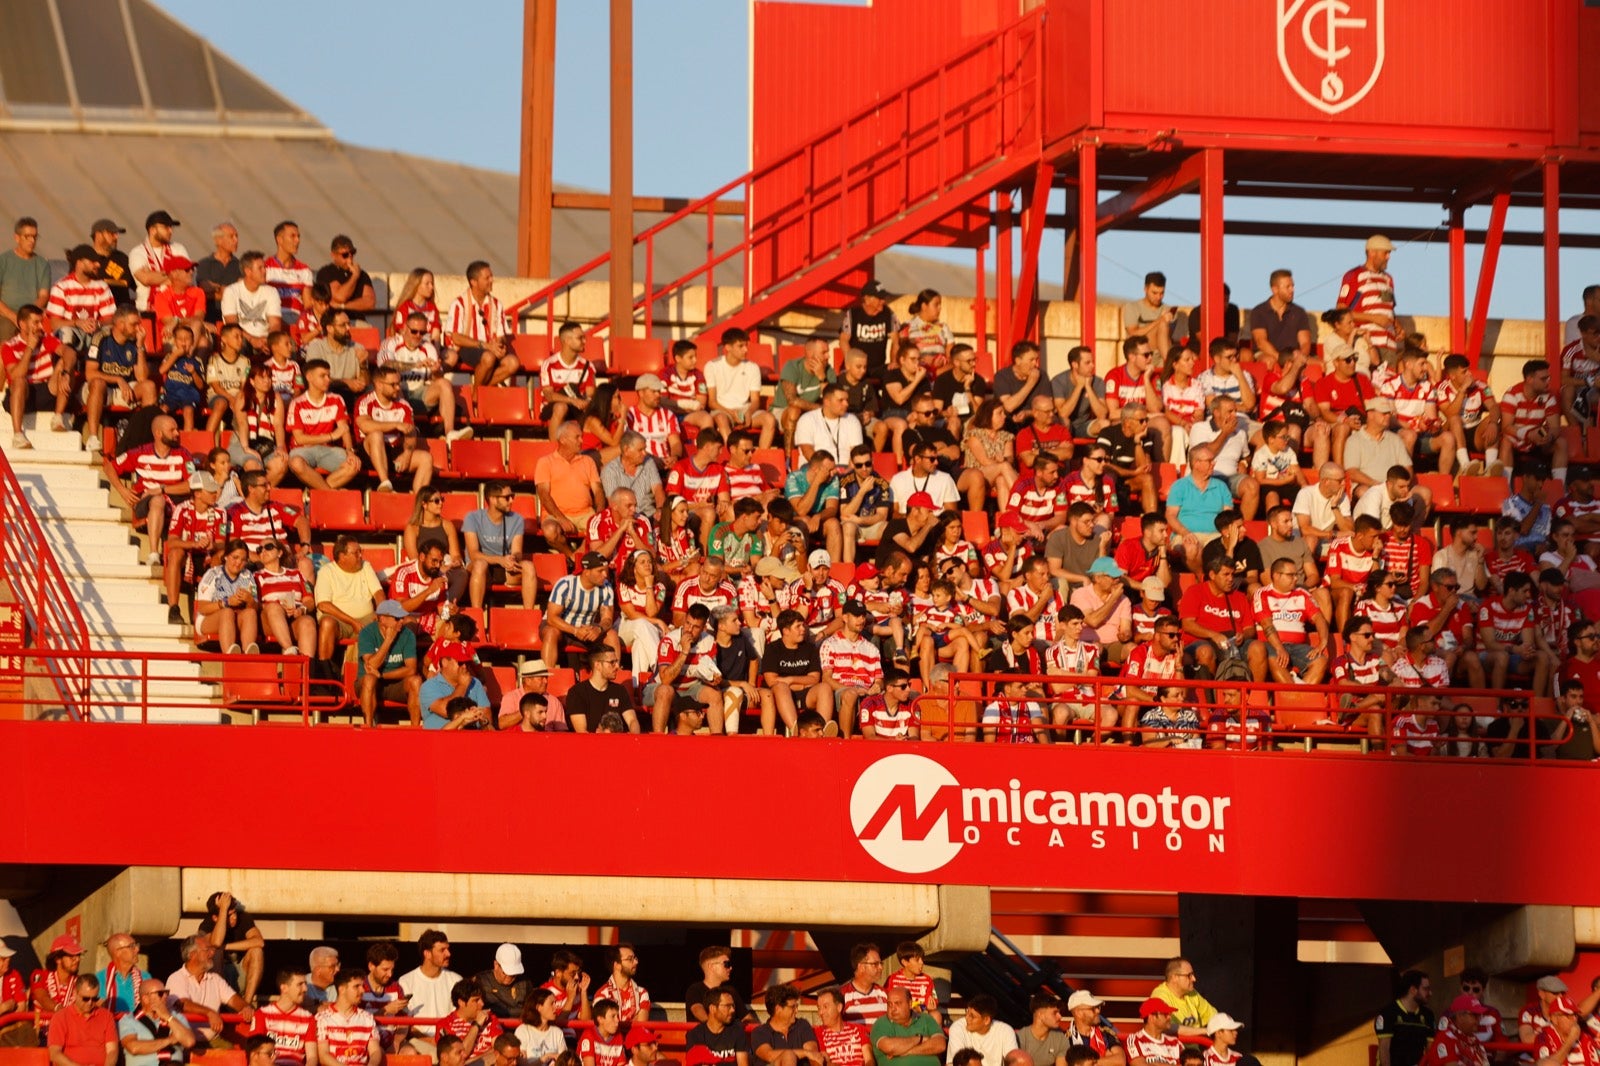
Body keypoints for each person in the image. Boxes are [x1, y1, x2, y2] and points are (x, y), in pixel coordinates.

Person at [1180, 555, 1266, 681]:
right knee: (1205, 651)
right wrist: (1213, 635)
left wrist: (1243, 635)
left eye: (1232, 574)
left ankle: (1255, 695)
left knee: (1258, 648)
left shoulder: (1239, 597)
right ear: (1212, 575)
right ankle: (1211, 697)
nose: (1231, 579)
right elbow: (1187, 624)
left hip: (1232, 642)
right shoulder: (1195, 592)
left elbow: (1250, 629)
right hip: (1201, 641)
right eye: (1226, 574)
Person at [167, 935, 254, 1044]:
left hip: (213, 1040)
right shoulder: (176, 978)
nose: (212, 953)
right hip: (182, 1041)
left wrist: (245, 1007)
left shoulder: (216, 979)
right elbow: (183, 1004)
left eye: (212, 949)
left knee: (242, 1054)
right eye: (207, 950)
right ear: (192, 955)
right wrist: (209, 1013)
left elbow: (233, 1000)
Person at [314, 536, 385, 663]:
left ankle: (376, 671)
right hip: (340, 621)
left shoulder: (365, 566)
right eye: (355, 553)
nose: (360, 556)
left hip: (366, 618)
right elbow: (323, 605)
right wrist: (353, 622)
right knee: (327, 623)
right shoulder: (326, 572)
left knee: (384, 623)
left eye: (360, 552)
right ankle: (324, 672)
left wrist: (382, 611)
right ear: (342, 556)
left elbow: (378, 592)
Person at [705, 327, 777, 447]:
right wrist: (731, 413)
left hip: (745, 409)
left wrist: (748, 413)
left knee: (769, 419)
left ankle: (762, 459)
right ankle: (732, 456)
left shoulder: (752, 367)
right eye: (741, 346)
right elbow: (712, 402)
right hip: (722, 410)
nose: (745, 349)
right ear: (728, 347)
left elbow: (755, 400)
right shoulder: (712, 366)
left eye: (746, 345)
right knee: (721, 419)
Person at [1166, 447, 1233, 573]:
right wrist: (1185, 532)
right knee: (1190, 548)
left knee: (1216, 550)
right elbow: (1170, 515)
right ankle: (1202, 579)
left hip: (1215, 535)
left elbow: (1228, 517)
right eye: (1209, 461)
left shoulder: (1221, 487)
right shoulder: (1180, 486)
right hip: (1185, 534)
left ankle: (1203, 581)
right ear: (1196, 464)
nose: (1214, 463)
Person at [1500, 361, 1567, 481]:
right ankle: (1506, 486)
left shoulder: (1549, 396)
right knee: (1506, 442)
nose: (1548, 382)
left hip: (1537, 440)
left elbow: (1555, 428)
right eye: (1543, 379)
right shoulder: (1512, 394)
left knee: (1561, 442)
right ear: (1529, 379)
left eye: (1548, 378)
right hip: (1517, 438)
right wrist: (1528, 434)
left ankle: (1559, 486)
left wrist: (1548, 437)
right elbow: (1506, 427)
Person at [1339, 235, 1402, 357]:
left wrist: (1397, 325)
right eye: (1386, 253)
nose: (1388, 257)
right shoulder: (1354, 275)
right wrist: (1374, 318)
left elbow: (1389, 310)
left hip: (1390, 345)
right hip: (1366, 345)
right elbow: (1341, 312)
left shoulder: (1388, 279)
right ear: (1372, 252)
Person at [243, 970, 316, 1066]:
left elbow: (312, 1058)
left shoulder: (308, 1018)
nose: (305, 989)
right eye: (300, 984)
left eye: (305, 984)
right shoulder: (263, 1014)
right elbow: (255, 1052)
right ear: (284, 988)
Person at [0, 217, 51, 344]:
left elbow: (44, 296)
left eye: (35, 236)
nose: (32, 241)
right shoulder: (3, 261)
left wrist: (28, 315)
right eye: (27, 236)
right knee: (6, 329)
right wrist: (14, 316)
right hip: (7, 314)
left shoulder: (42, 263)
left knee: (50, 330)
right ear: (17, 238)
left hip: (33, 314)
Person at [317, 968, 382, 1066]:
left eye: (362, 986)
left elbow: (375, 1052)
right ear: (341, 989)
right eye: (356, 986)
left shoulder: (367, 1018)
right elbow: (323, 1055)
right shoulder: (322, 1018)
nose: (362, 990)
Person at [49, 975, 117, 1066]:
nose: (90, 1002)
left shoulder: (106, 1016)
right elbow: (54, 1054)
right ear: (75, 993)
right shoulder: (60, 1017)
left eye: (94, 999)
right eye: (85, 998)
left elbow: (112, 1051)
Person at [869, 986, 946, 1066]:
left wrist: (908, 1051)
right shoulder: (881, 1023)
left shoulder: (925, 1019)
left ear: (909, 1004)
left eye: (897, 1003)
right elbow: (890, 1047)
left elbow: (940, 1045)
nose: (893, 1008)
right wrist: (920, 1039)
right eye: (890, 1004)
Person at [751, 984, 823, 1066]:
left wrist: (810, 1055)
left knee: (823, 1057)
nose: (796, 1011)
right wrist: (805, 1053)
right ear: (778, 1009)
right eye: (792, 1007)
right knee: (788, 1056)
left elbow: (813, 1054)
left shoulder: (802, 1025)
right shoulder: (760, 1032)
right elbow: (769, 1055)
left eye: (797, 1006)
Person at [1375, 970, 1434, 1066]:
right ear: (1412, 990)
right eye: (1426, 989)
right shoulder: (1388, 1013)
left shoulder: (1428, 1015)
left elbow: (1430, 1050)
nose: (1430, 993)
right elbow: (1384, 1050)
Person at [841, 281, 897, 380]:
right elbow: (843, 340)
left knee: (896, 375)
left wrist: (894, 361)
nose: (883, 301)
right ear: (867, 299)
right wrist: (851, 363)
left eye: (883, 298)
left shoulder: (888, 313)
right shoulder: (853, 314)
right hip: (856, 366)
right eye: (879, 298)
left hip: (878, 368)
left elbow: (896, 341)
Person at [1148, 958, 1215, 1039]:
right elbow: (1166, 1027)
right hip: (1171, 1049)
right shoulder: (1160, 996)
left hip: (1195, 1049)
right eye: (1189, 975)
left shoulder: (1192, 993)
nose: (1194, 979)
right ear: (1175, 977)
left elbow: (1214, 1017)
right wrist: (1205, 1031)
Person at [686, 987, 750, 1066]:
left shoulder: (737, 1031)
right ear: (712, 1008)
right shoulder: (695, 1035)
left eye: (733, 1006)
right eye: (727, 1006)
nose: (732, 1010)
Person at [946, 996, 1017, 1066]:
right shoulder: (958, 1028)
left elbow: (1014, 1061)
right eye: (967, 1012)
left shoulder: (1005, 1031)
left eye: (972, 1016)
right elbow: (961, 1062)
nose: (967, 1018)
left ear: (986, 1020)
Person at [1124, 272, 1174, 362]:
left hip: (1161, 354)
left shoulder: (1167, 309)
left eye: (1161, 293)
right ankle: (1169, 364)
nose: (1158, 297)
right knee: (1162, 324)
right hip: (1140, 354)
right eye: (1154, 293)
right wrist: (1160, 321)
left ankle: (1168, 363)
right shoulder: (1132, 307)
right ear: (1145, 289)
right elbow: (1133, 333)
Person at [514, 989, 568, 1066]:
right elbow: (521, 1063)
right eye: (551, 1003)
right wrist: (545, 1058)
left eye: (555, 1003)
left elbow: (565, 1060)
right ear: (538, 1007)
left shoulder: (557, 1032)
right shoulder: (523, 1031)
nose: (556, 1007)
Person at [1017, 993, 1071, 1066]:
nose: (1060, 1017)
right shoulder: (1021, 1038)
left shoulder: (1060, 1038)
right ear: (1040, 1014)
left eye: (1059, 1012)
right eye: (1055, 1013)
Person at [1124, 1000, 1181, 1066]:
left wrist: (1154, 1064)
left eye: (1169, 1014)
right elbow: (1138, 1064)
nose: (1169, 1017)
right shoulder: (1134, 1039)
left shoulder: (1175, 1042)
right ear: (1151, 1017)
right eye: (1165, 1014)